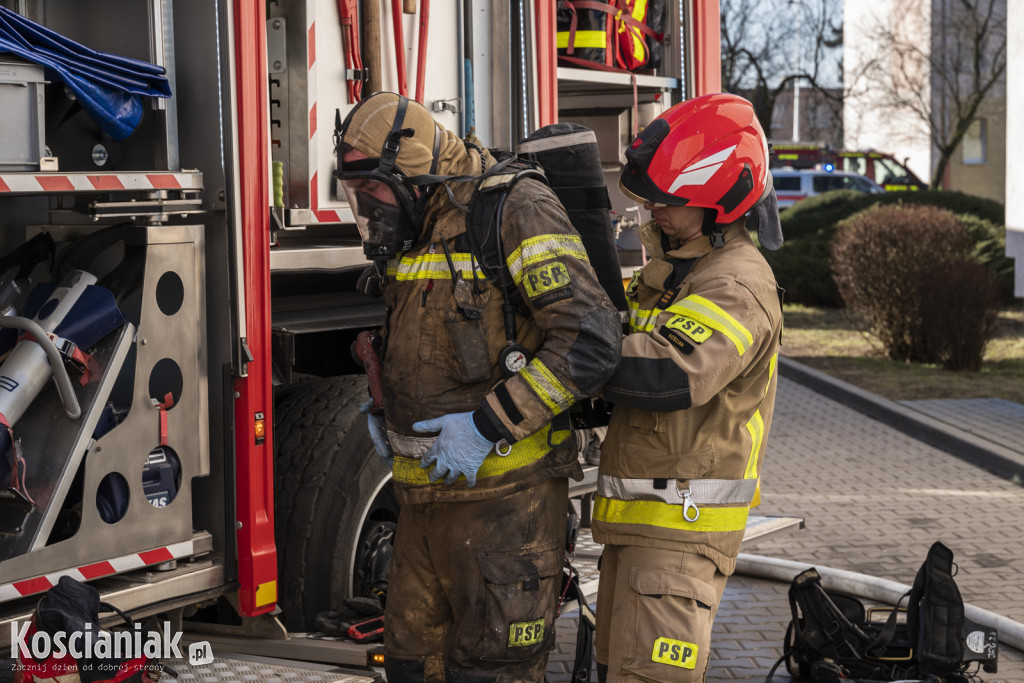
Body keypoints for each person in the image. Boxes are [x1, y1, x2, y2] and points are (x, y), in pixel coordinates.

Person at [332, 92, 621, 682]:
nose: (367, 210)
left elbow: (590, 340)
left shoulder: (512, 207)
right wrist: (387, 400)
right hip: (422, 512)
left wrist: (486, 425)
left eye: (373, 193)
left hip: (507, 512)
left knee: (493, 673)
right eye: (355, 196)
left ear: (411, 174)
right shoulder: (415, 223)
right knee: (411, 669)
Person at [590, 93, 785, 682]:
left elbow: (668, 371)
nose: (653, 209)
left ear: (720, 205)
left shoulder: (736, 283)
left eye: (671, 199)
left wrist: (570, 354)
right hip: (641, 531)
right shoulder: (680, 274)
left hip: (679, 537)